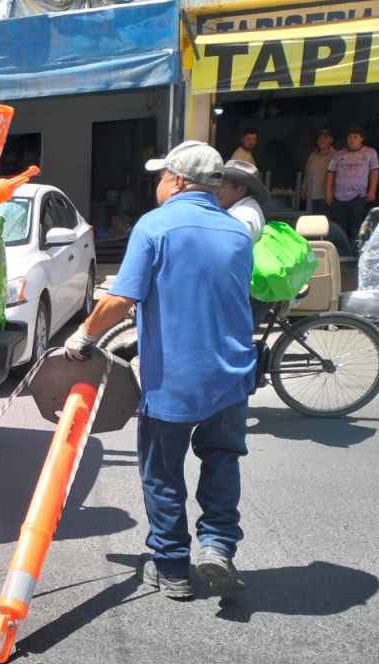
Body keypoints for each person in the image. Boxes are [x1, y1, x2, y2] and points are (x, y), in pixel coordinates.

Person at [63, 141, 255, 601]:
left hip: (174, 381)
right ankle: (217, 545)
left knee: (163, 473)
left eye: (161, 176)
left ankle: (171, 567)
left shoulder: (155, 226)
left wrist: (83, 337)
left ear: (177, 180)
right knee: (222, 460)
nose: (158, 184)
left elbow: (121, 300)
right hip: (231, 377)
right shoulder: (237, 232)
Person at [326, 125, 379, 244]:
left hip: (359, 196)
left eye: (355, 137)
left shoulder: (370, 152)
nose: (352, 139)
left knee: (357, 227)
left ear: (362, 138)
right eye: (349, 137)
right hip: (339, 197)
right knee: (340, 227)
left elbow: (374, 172)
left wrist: (372, 191)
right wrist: (329, 193)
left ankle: (354, 254)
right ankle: (341, 253)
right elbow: (330, 173)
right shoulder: (339, 154)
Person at [217, 159, 269, 243]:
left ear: (240, 189)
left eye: (222, 186)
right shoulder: (246, 210)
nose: (216, 191)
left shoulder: (242, 217)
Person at [302, 128, 335, 214]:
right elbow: (307, 173)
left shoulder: (336, 156)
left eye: (325, 138)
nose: (322, 141)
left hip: (326, 197)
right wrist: (304, 188)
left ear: (331, 140)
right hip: (311, 196)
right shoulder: (313, 155)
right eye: (320, 138)